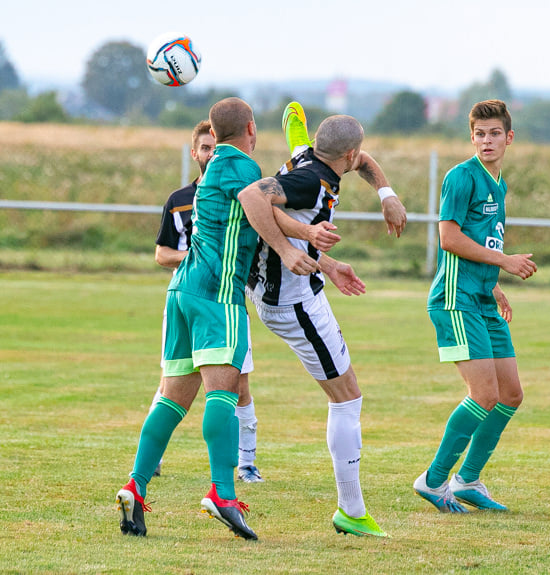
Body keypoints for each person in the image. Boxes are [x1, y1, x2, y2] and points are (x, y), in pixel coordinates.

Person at [116, 97, 319, 540]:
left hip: (181, 292)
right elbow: (260, 206)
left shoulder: (216, 168)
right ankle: (223, 493)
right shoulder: (243, 168)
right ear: (251, 127)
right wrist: (295, 245)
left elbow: (263, 208)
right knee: (224, 393)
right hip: (217, 295)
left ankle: (136, 484)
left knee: (172, 399)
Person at [239, 109, 406, 538]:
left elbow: (365, 163)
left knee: (346, 396)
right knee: (346, 398)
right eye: (357, 154)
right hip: (292, 303)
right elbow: (252, 198)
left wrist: (386, 195)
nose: (361, 160)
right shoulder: (308, 180)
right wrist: (292, 251)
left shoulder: (307, 158)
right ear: (346, 153)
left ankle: (351, 508)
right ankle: (350, 510)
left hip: (300, 291)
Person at [414, 100, 537, 513]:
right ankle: (432, 482)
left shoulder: (497, 182)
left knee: (510, 394)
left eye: (495, 133)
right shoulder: (461, 177)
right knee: (483, 394)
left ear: (509, 137)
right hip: (455, 300)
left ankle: (467, 481)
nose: (487, 141)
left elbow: (483, 240)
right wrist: (504, 261)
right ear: (472, 137)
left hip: (482, 298)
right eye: (480, 134)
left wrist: (495, 283)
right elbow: (448, 239)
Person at [152, 120, 263, 484]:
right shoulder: (179, 200)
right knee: (177, 385)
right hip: (204, 295)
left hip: (214, 295)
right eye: (204, 148)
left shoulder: (242, 186)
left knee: (238, 383)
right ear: (194, 152)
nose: (209, 153)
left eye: (213, 147)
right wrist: (198, 260)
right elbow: (161, 253)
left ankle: (246, 464)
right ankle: (218, 486)